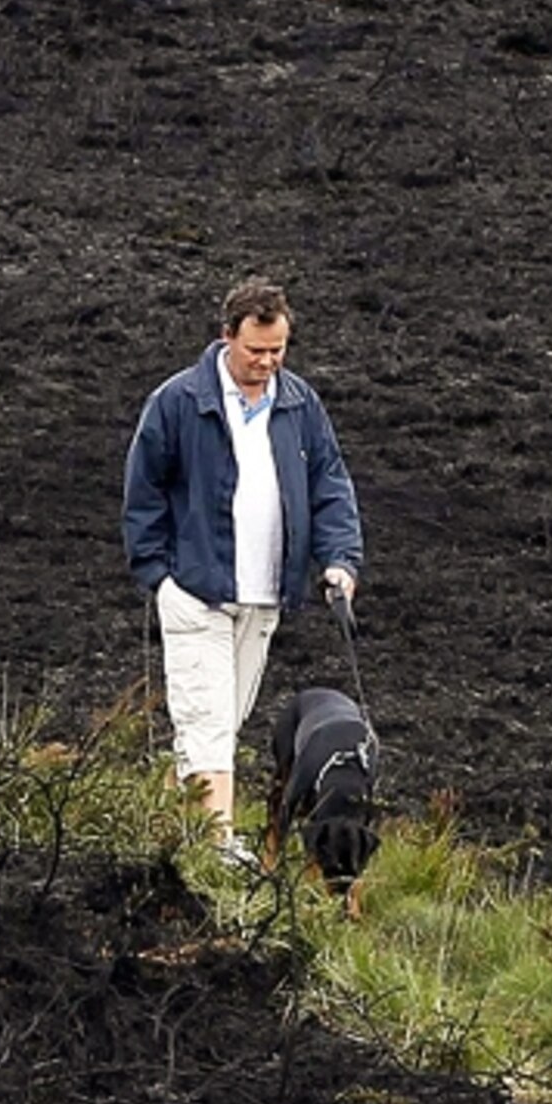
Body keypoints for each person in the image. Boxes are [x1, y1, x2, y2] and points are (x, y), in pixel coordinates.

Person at [121, 277, 365, 864]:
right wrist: (160, 576)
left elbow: (330, 485)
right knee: (206, 719)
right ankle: (217, 850)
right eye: (256, 349)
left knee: (223, 720)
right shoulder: (179, 401)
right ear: (226, 336)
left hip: (265, 596)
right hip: (195, 591)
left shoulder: (300, 403)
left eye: (278, 349)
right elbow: (143, 491)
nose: (267, 361)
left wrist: (338, 560)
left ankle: (164, 829)